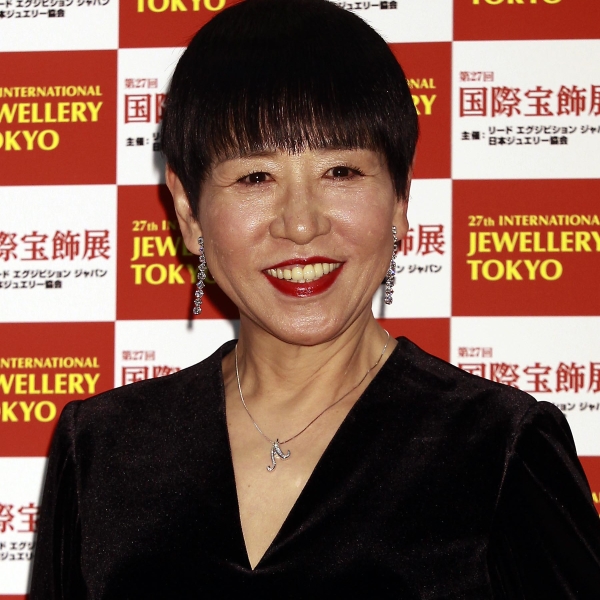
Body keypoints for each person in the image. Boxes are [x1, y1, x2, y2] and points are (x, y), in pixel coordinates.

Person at [31, 0, 600, 597]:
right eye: (255, 177)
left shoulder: (501, 450)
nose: (301, 225)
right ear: (188, 210)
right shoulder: (101, 449)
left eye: (341, 172)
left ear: (400, 199)